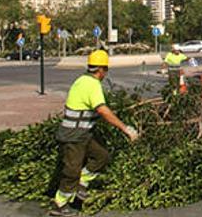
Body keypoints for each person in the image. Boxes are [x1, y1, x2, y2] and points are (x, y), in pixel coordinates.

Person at [51, 50, 139, 216]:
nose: (105, 74)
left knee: (101, 156)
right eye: (106, 70)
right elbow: (103, 110)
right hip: (73, 136)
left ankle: (82, 184)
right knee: (72, 170)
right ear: (101, 70)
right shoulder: (92, 85)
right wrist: (125, 129)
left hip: (83, 134)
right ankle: (60, 204)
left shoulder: (82, 80)